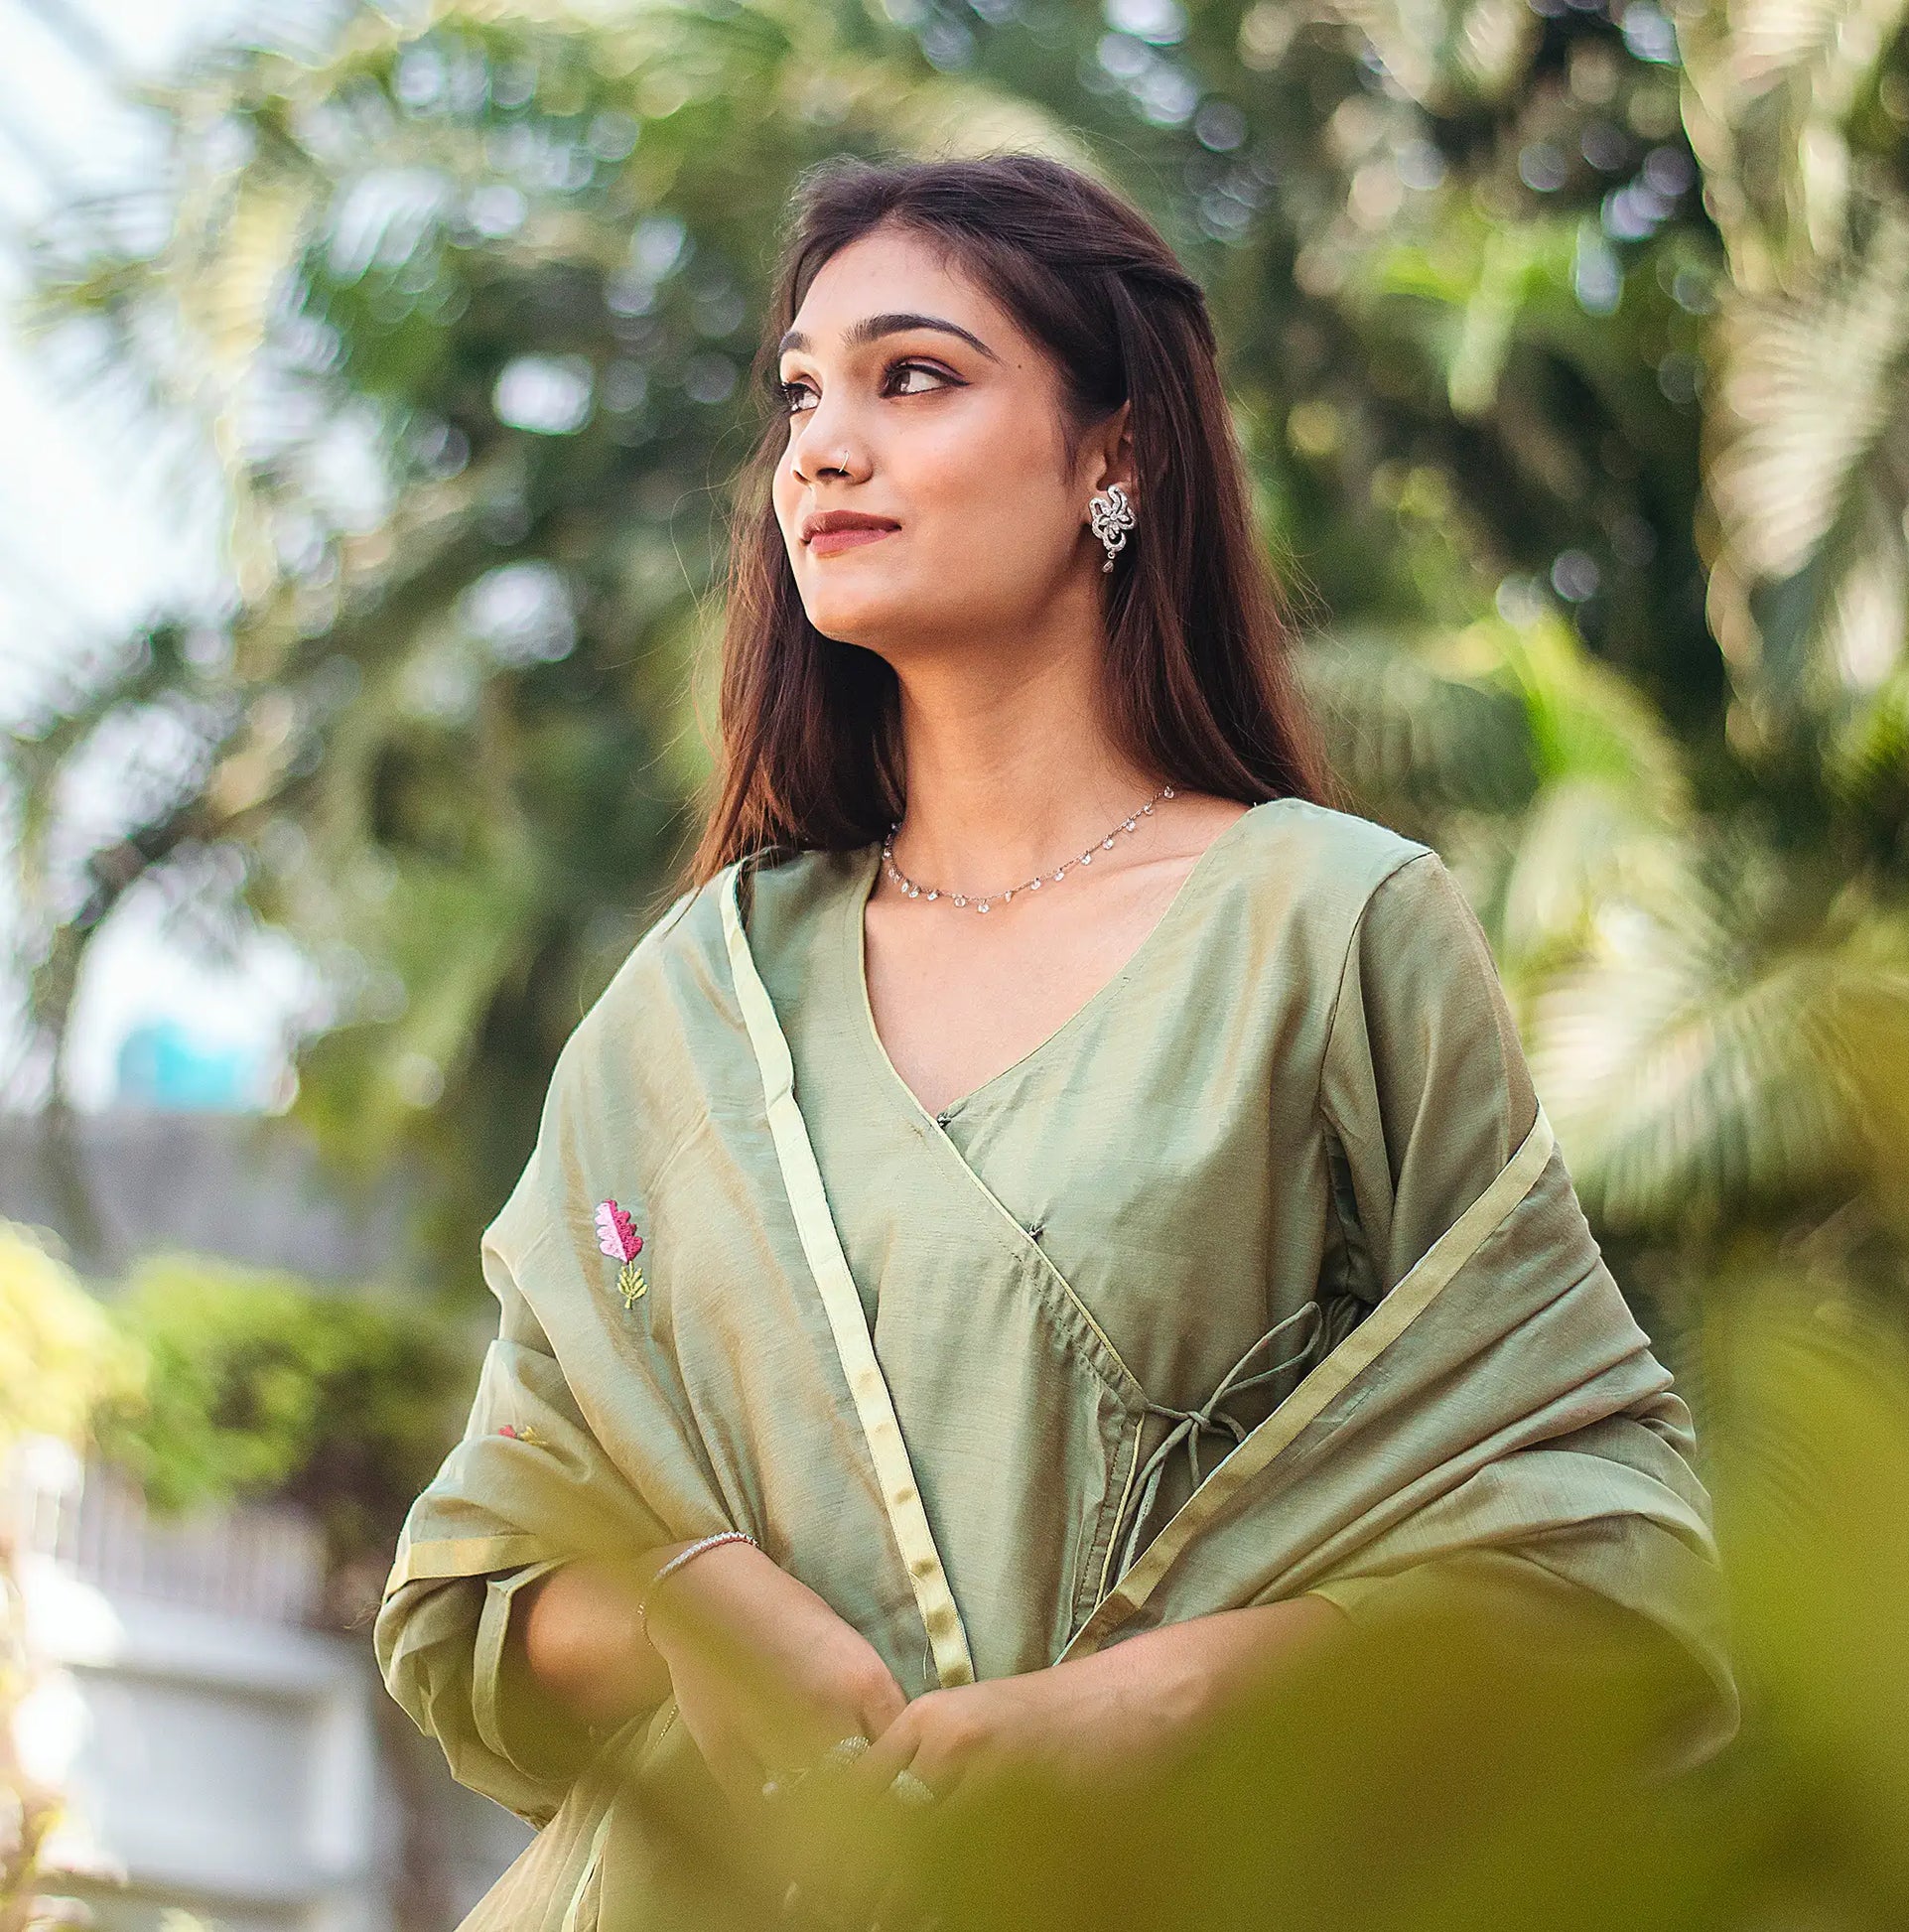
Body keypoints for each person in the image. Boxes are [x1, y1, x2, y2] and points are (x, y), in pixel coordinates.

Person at [374, 153, 1737, 1930]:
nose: (822, 448)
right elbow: (477, 1585)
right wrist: (686, 1599)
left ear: (1118, 453)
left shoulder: (1325, 929)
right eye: (800, 393)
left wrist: (1170, 1691)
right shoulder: (697, 999)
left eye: (912, 376)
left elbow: (1601, 1529)